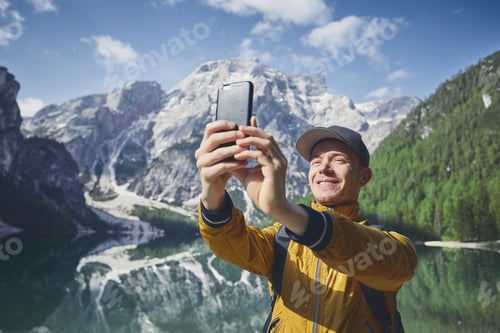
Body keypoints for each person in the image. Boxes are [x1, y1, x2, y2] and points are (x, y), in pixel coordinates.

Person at [195, 117, 417, 333]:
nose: (324, 168)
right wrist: (212, 199)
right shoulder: (280, 238)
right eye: (316, 161)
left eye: (338, 160)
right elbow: (230, 243)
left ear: (364, 177)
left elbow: (357, 246)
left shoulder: (390, 246)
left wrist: (285, 210)